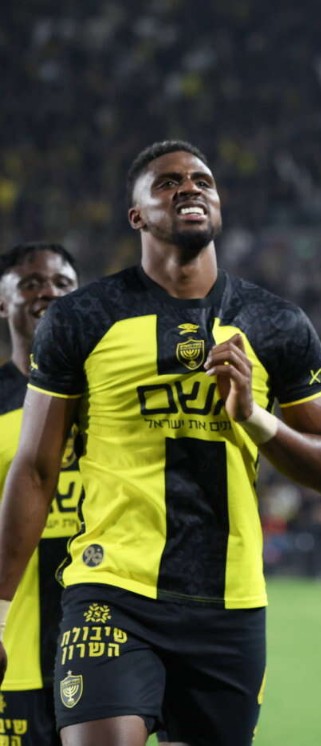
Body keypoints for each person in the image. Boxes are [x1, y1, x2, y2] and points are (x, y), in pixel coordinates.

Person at [0, 140, 321, 746]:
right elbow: (35, 470)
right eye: (167, 183)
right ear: (136, 215)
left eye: (202, 181)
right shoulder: (82, 318)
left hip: (230, 604)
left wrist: (254, 418)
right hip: (112, 588)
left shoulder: (276, 323)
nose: (189, 187)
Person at [0, 243, 79, 745]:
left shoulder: (108, 395)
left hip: (104, 649)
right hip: (16, 650)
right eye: (30, 283)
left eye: (62, 283)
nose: (48, 292)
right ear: (2, 302)